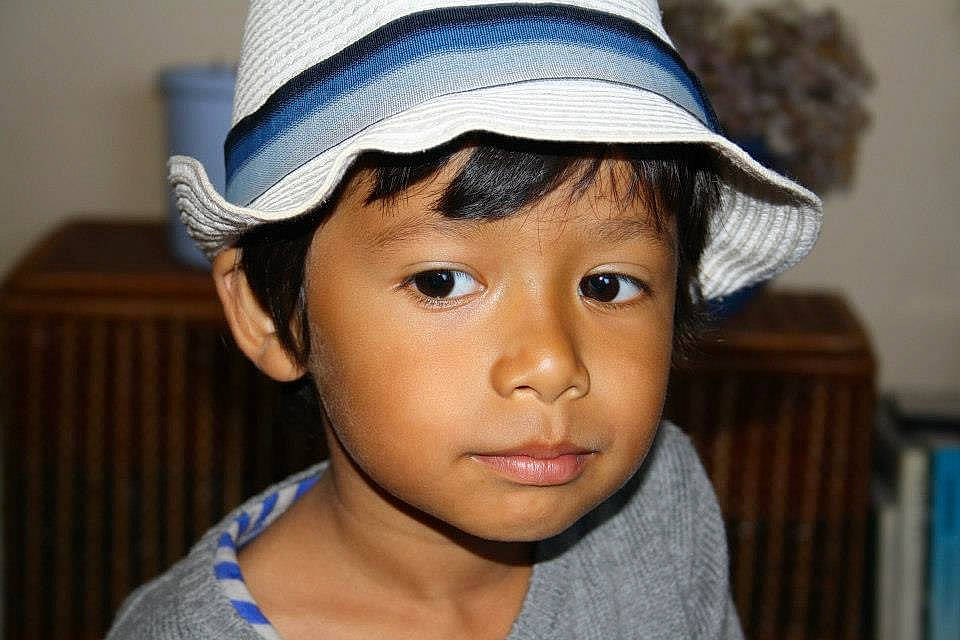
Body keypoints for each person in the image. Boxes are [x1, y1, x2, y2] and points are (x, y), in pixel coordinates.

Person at [108, 1, 821, 638]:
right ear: (268, 313)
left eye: (607, 285)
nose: (551, 362)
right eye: (443, 282)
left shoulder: (661, 514)